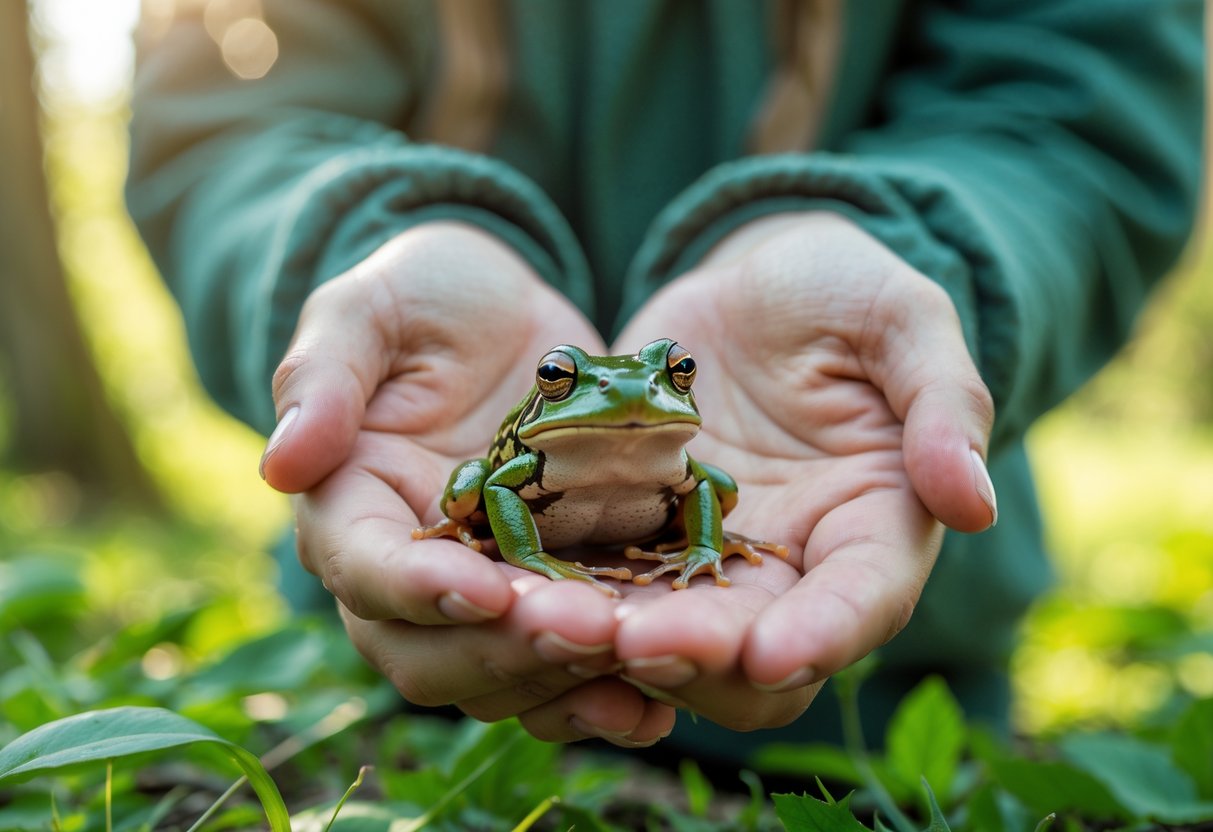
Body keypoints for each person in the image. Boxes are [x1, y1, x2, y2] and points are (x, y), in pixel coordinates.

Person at [126, 0, 1205, 761]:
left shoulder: (687, 472)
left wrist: (928, 255)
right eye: (569, 380)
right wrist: (358, 247)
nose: (631, 394)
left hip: (886, 701)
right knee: (458, 520)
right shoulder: (525, 461)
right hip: (385, 692)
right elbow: (228, 114)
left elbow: (1084, 104)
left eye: (670, 379)